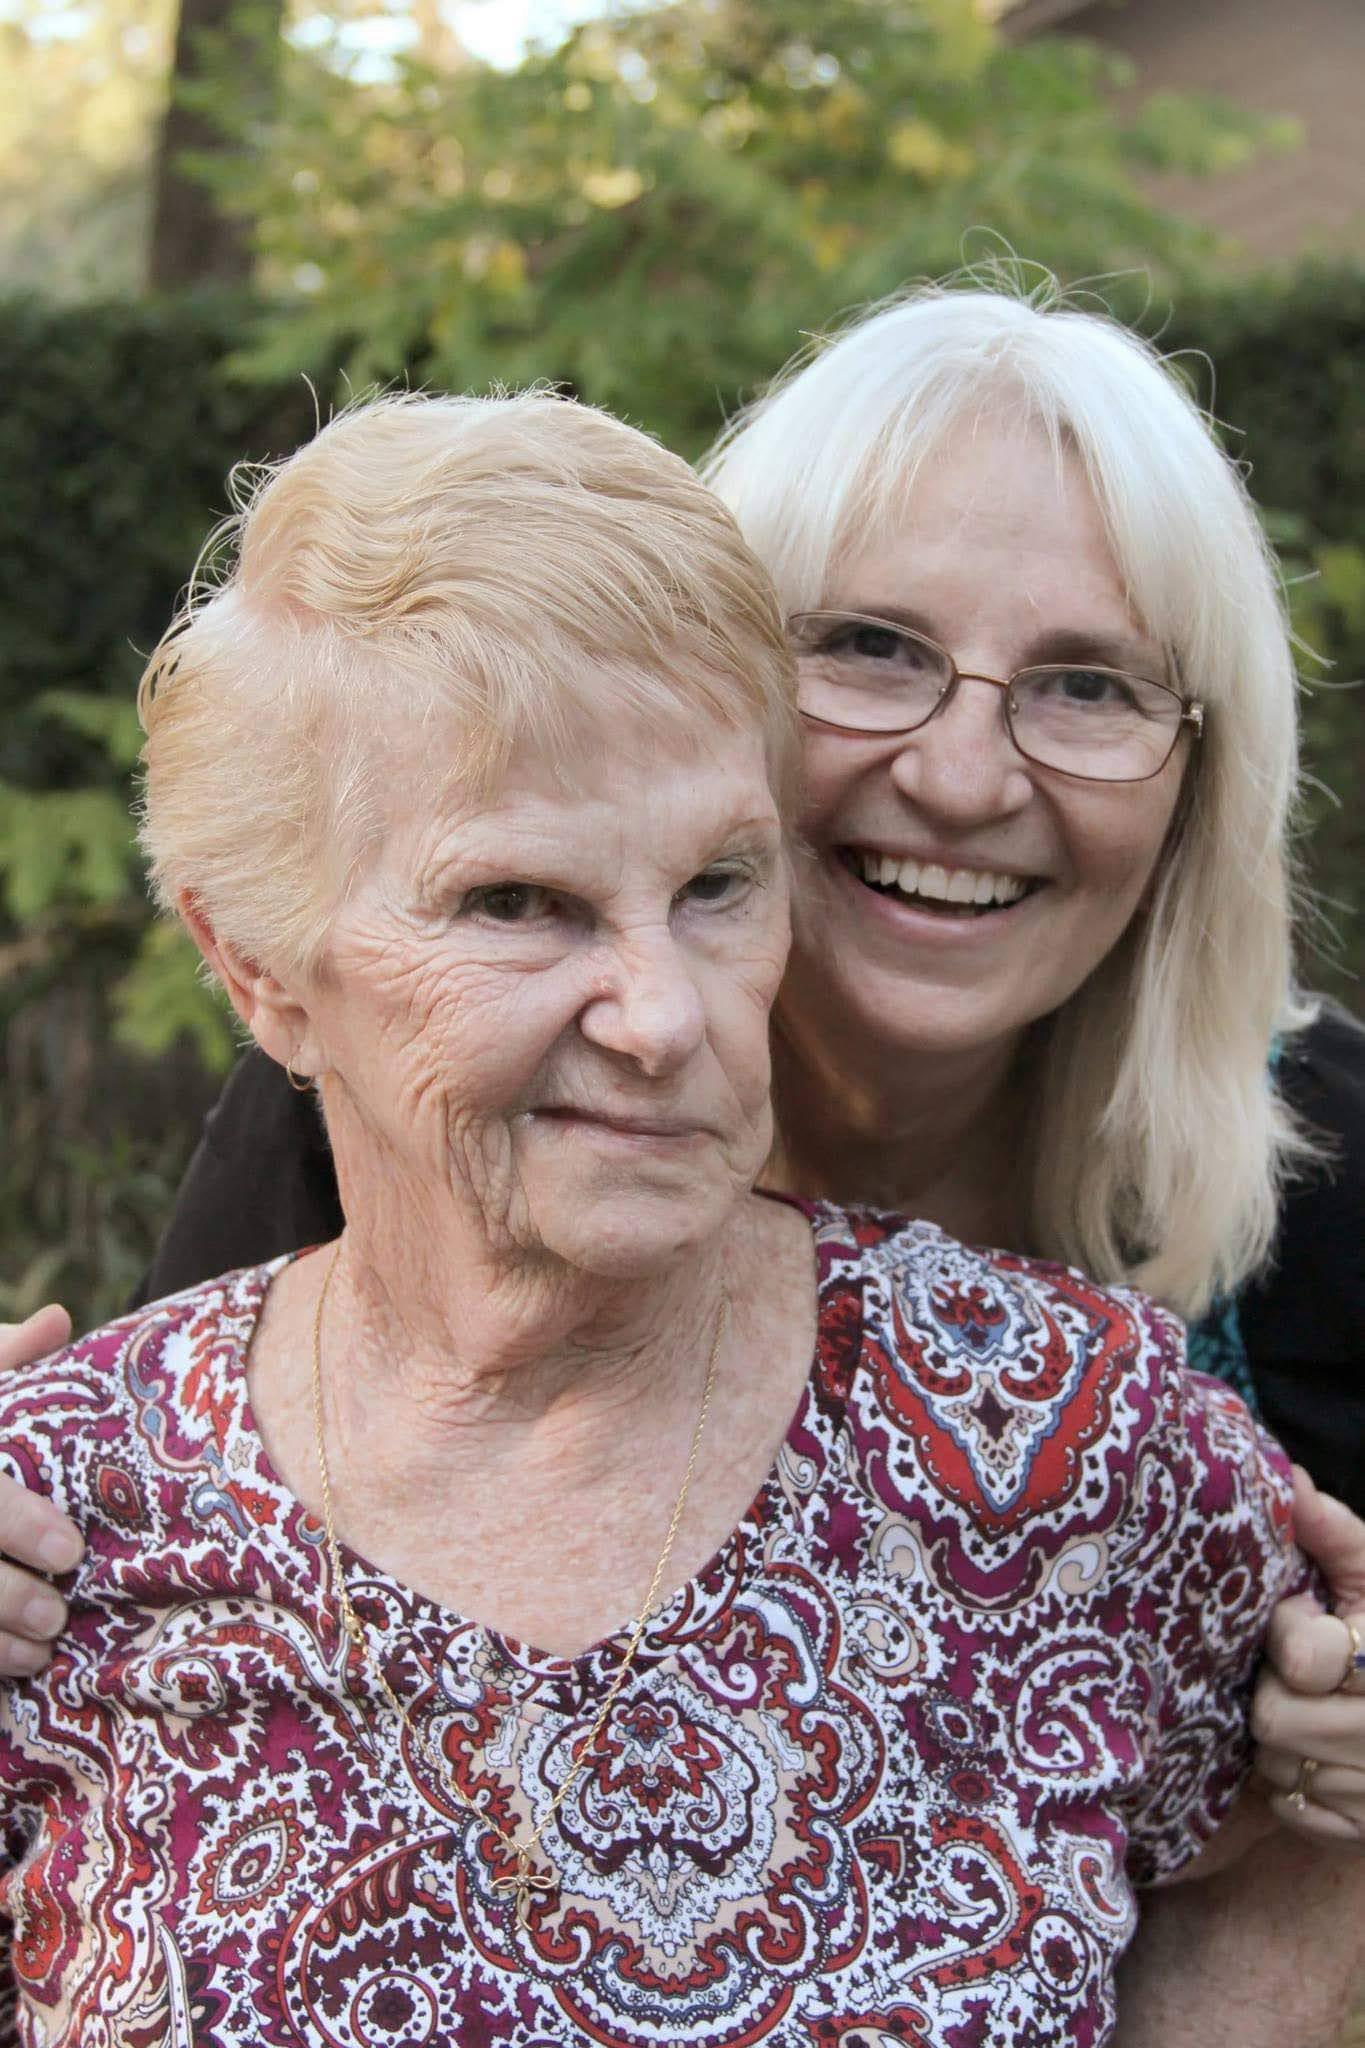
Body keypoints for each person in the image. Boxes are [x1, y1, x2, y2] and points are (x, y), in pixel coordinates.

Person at [0, 391, 1315, 2045]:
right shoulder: (60, 1522)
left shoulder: (1080, 1438)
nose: (663, 1016)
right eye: (517, 904)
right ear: (258, 968)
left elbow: (1282, 1869)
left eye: (717, 886)